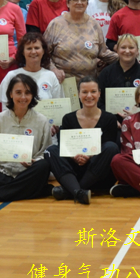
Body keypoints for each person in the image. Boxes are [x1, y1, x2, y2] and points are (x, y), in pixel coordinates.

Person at [0, 74, 53, 204]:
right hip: (2, 173)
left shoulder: (41, 121)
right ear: (10, 94)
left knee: (43, 166)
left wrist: (34, 161)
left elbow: (45, 153)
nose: (23, 97)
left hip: (28, 172)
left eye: (27, 93)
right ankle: (36, 190)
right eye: (18, 92)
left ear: (33, 95)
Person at [48, 76, 120, 204]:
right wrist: (74, 157)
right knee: (51, 150)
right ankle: (79, 192)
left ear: (99, 93)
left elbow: (107, 151)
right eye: (85, 92)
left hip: (98, 173)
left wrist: (88, 156)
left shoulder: (110, 119)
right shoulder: (68, 118)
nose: (89, 96)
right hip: (75, 169)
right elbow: (65, 147)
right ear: (78, 94)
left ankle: (73, 190)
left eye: (93, 91)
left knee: (111, 147)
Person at [45, 0, 117, 83]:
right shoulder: (56, 24)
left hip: (89, 83)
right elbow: (44, 54)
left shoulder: (94, 25)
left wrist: (125, 58)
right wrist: (53, 69)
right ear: (68, 3)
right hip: (62, 81)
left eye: (83, 0)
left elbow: (103, 52)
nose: (79, 3)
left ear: (87, 3)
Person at [0, 32, 63, 107]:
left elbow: (58, 106)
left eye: (37, 48)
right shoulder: (12, 76)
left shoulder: (51, 76)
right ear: (23, 52)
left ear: (43, 51)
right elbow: (6, 107)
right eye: (29, 48)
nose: (33, 52)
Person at [97, 34, 140, 118]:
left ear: (137, 51)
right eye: (123, 47)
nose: (127, 51)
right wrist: (111, 120)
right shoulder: (106, 73)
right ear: (117, 50)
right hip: (111, 120)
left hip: (139, 120)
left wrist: (137, 116)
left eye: (131, 47)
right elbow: (99, 101)